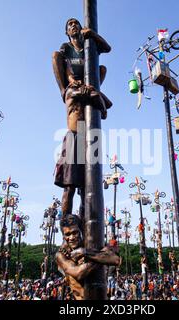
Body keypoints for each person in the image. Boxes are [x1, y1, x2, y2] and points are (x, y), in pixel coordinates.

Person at [52, 18, 112, 220]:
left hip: (89, 137)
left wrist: (92, 34)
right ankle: (65, 223)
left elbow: (108, 48)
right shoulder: (65, 51)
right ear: (66, 31)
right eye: (69, 24)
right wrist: (70, 85)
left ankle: (86, 224)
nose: (73, 25)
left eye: (76, 23)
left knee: (88, 188)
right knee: (69, 186)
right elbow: (66, 67)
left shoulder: (89, 47)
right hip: (75, 136)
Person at [56, 214, 120, 300]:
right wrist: (102, 258)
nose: (71, 238)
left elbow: (116, 259)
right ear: (64, 236)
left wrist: (84, 252)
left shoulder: (91, 246)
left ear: (81, 230)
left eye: (75, 232)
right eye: (67, 234)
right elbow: (79, 273)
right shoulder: (62, 255)